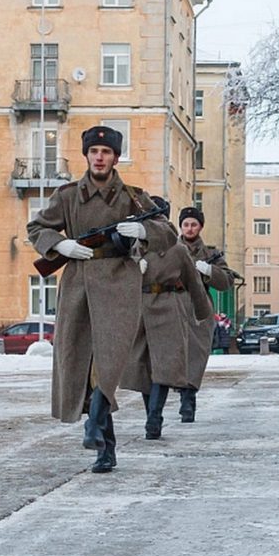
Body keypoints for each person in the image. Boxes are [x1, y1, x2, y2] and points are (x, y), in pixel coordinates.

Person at [27, 126, 176, 473]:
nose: (99, 157)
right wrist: (60, 244)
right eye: (94, 151)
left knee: (108, 363)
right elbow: (37, 228)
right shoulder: (67, 196)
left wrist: (143, 231)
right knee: (83, 362)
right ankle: (104, 447)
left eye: (106, 152)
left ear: (115, 157)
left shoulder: (134, 197)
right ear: (86, 155)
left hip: (120, 286)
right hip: (78, 284)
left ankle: (94, 425)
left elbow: (167, 231)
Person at [119, 198, 214, 440]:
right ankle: (152, 413)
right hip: (140, 310)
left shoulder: (177, 249)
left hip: (168, 308)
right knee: (142, 367)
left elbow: (194, 283)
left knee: (163, 367)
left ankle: (154, 416)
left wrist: (203, 315)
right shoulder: (134, 245)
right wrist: (132, 266)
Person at [175, 206, 236, 422]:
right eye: (186, 224)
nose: (189, 228)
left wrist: (210, 271)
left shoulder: (210, 253)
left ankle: (188, 400)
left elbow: (228, 281)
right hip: (172, 307)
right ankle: (155, 408)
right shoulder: (171, 249)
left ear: (200, 227)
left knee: (195, 356)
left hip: (199, 310)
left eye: (193, 224)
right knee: (172, 356)